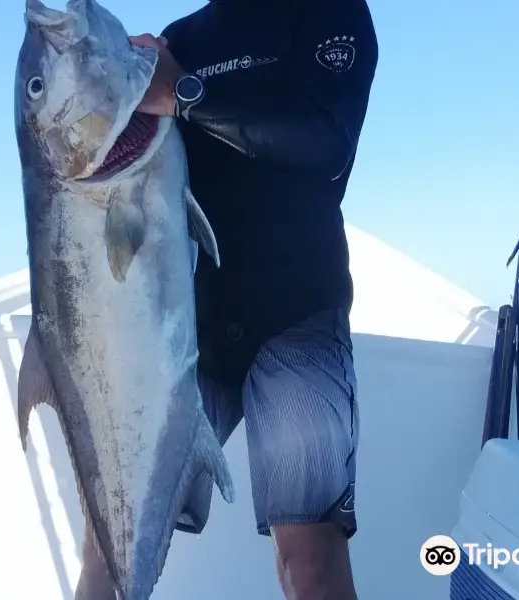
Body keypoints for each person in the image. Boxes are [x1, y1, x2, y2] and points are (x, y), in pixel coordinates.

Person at [76, 0, 377, 598]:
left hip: (296, 314)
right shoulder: (181, 37)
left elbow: (326, 142)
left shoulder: (328, 12)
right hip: (187, 328)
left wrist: (182, 92)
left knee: (309, 557)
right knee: (109, 537)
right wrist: (115, 82)